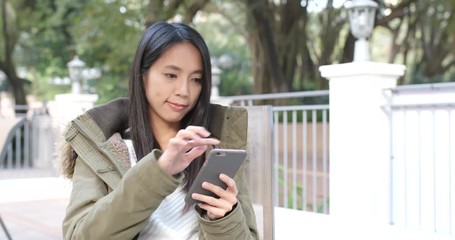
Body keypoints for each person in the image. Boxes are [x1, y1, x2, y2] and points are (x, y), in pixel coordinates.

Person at [56, 21, 258, 239]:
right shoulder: (102, 144)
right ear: (143, 76)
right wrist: (158, 173)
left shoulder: (217, 144)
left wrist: (223, 220)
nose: (184, 91)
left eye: (196, 79)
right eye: (171, 75)